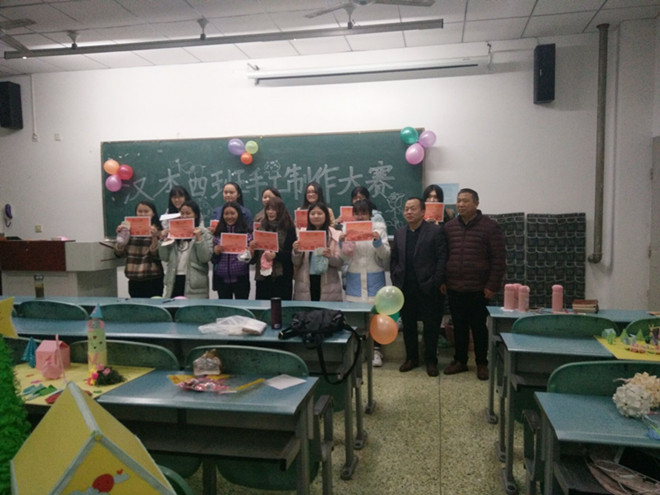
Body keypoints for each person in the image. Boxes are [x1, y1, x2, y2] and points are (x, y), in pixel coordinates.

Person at [441, 188, 506, 380]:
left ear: (476, 203)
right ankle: (460, 361)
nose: (460, 204)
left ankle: (481, 363)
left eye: (465, 201)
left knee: (479, 327)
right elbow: (443, 256)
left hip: (479, 288)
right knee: (459, 326)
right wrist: (443, 280)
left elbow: (499, 259)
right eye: (459, 201)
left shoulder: (490, 227)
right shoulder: (449, 227)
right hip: (454, 286)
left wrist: (492, 285)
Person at [390, 197, 447, 377]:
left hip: (428, 287)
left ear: (423, 211)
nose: (409, 212)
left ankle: (431, 361)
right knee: (409, 325)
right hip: (405, 288)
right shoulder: (399, 233)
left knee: (431, 326)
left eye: (413, 208)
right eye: (406, 209)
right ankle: (411, 358)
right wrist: (396, 280)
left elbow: (442, 258)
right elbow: (394, 260)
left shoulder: (435, 231)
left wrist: (435, 282)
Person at [339, 199, 390, 366]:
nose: (360, 216)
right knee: (356, 318)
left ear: (370, 214)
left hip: (374, 278)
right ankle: (359, 350)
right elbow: (344, 258)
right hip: (354, 279)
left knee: (376, 316)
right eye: (357, 213)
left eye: (364, 213)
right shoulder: (346, 229)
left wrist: (377, 242)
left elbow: (386, 255)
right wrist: (342, 243)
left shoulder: (379, 229)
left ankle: (376, 351)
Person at [159, 200, 213, 298]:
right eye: (182, 213)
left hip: (194, 281)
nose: (184, 216)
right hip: (174, 279)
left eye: (188, 213)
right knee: (174, 306)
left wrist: (199, 239)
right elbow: (164, 257)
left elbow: (205, 258)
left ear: (196, 215)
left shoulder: (204, 233)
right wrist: (163, 240)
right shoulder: (173, 232)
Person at [292, 202, 343, 301]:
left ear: (326, 215)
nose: (316, 216)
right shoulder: (302, 234)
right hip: (306, 282)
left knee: (325, 310)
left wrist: (330, 257)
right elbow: (296, 262)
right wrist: (296, 252)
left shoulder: (334, 235)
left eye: (319, 213)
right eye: (312, 213)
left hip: (328, 284)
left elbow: (340, 262)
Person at [114, 200, 164, 298]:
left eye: (146, 211)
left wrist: (154, 237)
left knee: (154, 305)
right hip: (134, 278)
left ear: (153, 213)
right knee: (136, 306)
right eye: (140, 211)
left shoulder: (158, 231)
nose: (142, 214)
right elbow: (118, 253)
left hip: (153, 277)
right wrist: (121, 237)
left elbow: (157, 255)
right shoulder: (128, 229)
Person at [250, 196, 296, 300]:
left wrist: (276, 255)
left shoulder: (289, 228)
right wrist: (252, 250)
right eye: (268, 209)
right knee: (263, 306)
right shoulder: (261, 228)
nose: (270, 212)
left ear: (280, 211)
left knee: (281, 307)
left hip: (282, 276)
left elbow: (291, 253)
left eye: (274, 209)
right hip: (263, 277)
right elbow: (255, 258)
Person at [211, 201, 253, 299]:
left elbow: (251, 261)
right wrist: (215, 253)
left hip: (241, 279)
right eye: (226, 214)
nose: (229, 216)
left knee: (241, 306)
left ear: (238, 214)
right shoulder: (217, 233)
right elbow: (213, 260)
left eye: (232, 213)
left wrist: (250, 253)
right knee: (224, 307)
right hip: (222, 279)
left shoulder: (247, 232)